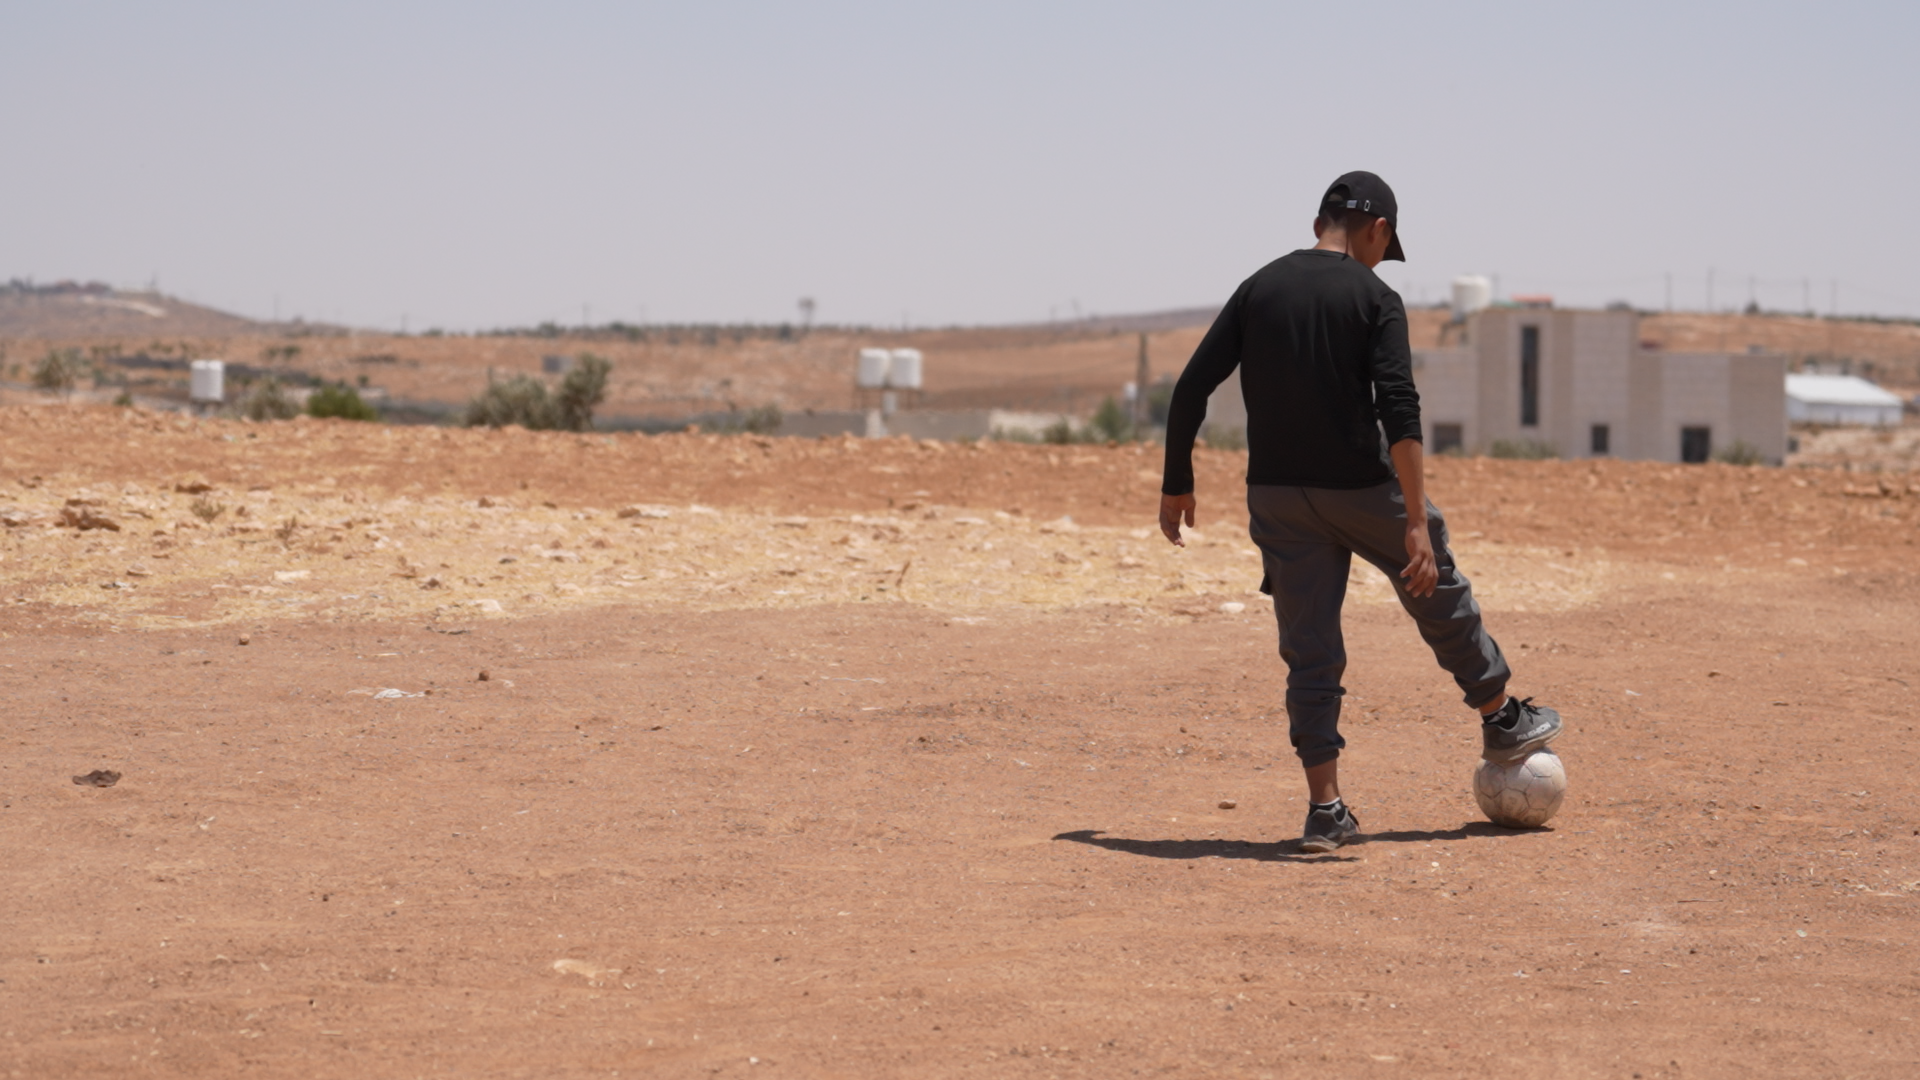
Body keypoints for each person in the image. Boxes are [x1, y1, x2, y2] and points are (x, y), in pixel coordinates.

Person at [1157, 171, 1562, 853]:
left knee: (1309, 651)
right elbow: (1399, 411)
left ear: (1322, 219)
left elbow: (1192, 385)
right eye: (1385, 244)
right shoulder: (1376, 297)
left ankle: (1326, 809)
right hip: (1361, 487)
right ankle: (1501, 716)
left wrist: (1178, 482)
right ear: (1376, 229)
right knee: (1439, 592)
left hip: (1279, 497)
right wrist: (1412, 521)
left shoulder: (1260, 287)